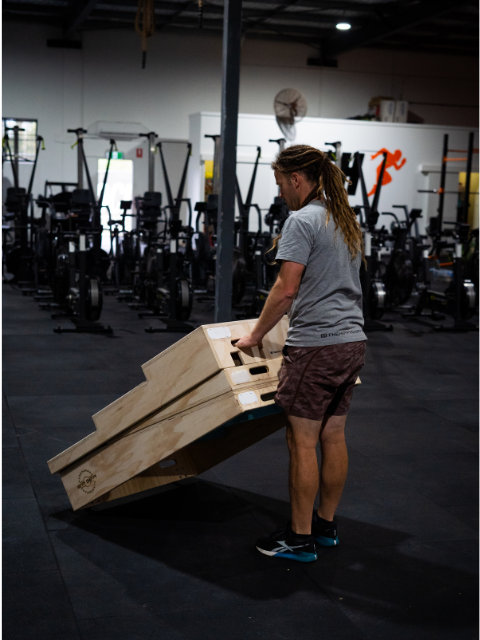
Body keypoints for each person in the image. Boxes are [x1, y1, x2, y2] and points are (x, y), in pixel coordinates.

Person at [235, 144, 367, 563]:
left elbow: (286, 289)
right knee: (333, 433)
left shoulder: (302, 219)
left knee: (302, 441)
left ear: (296, 179)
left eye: (280, 184)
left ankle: (299, 537)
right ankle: (324, 526)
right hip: (352, 341)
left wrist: (255, 335)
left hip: (317, 345)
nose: (279, 193)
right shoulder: (343, 218)